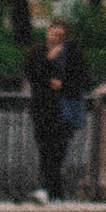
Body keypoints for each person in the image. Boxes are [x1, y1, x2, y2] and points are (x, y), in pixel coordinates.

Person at [22, 13, 91, 201]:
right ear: (48, 32)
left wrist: (64, 85)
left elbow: (83, 79)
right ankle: (54, 193)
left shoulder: (73, 54)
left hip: (64, 109)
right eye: (53, 33)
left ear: (65, 37)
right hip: (43, 108)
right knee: (45, 150)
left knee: (57, 151)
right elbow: (31, 74)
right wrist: (48, 60)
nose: (55, 38)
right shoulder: (38, 52)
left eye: (60, 35)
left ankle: (49, 190)